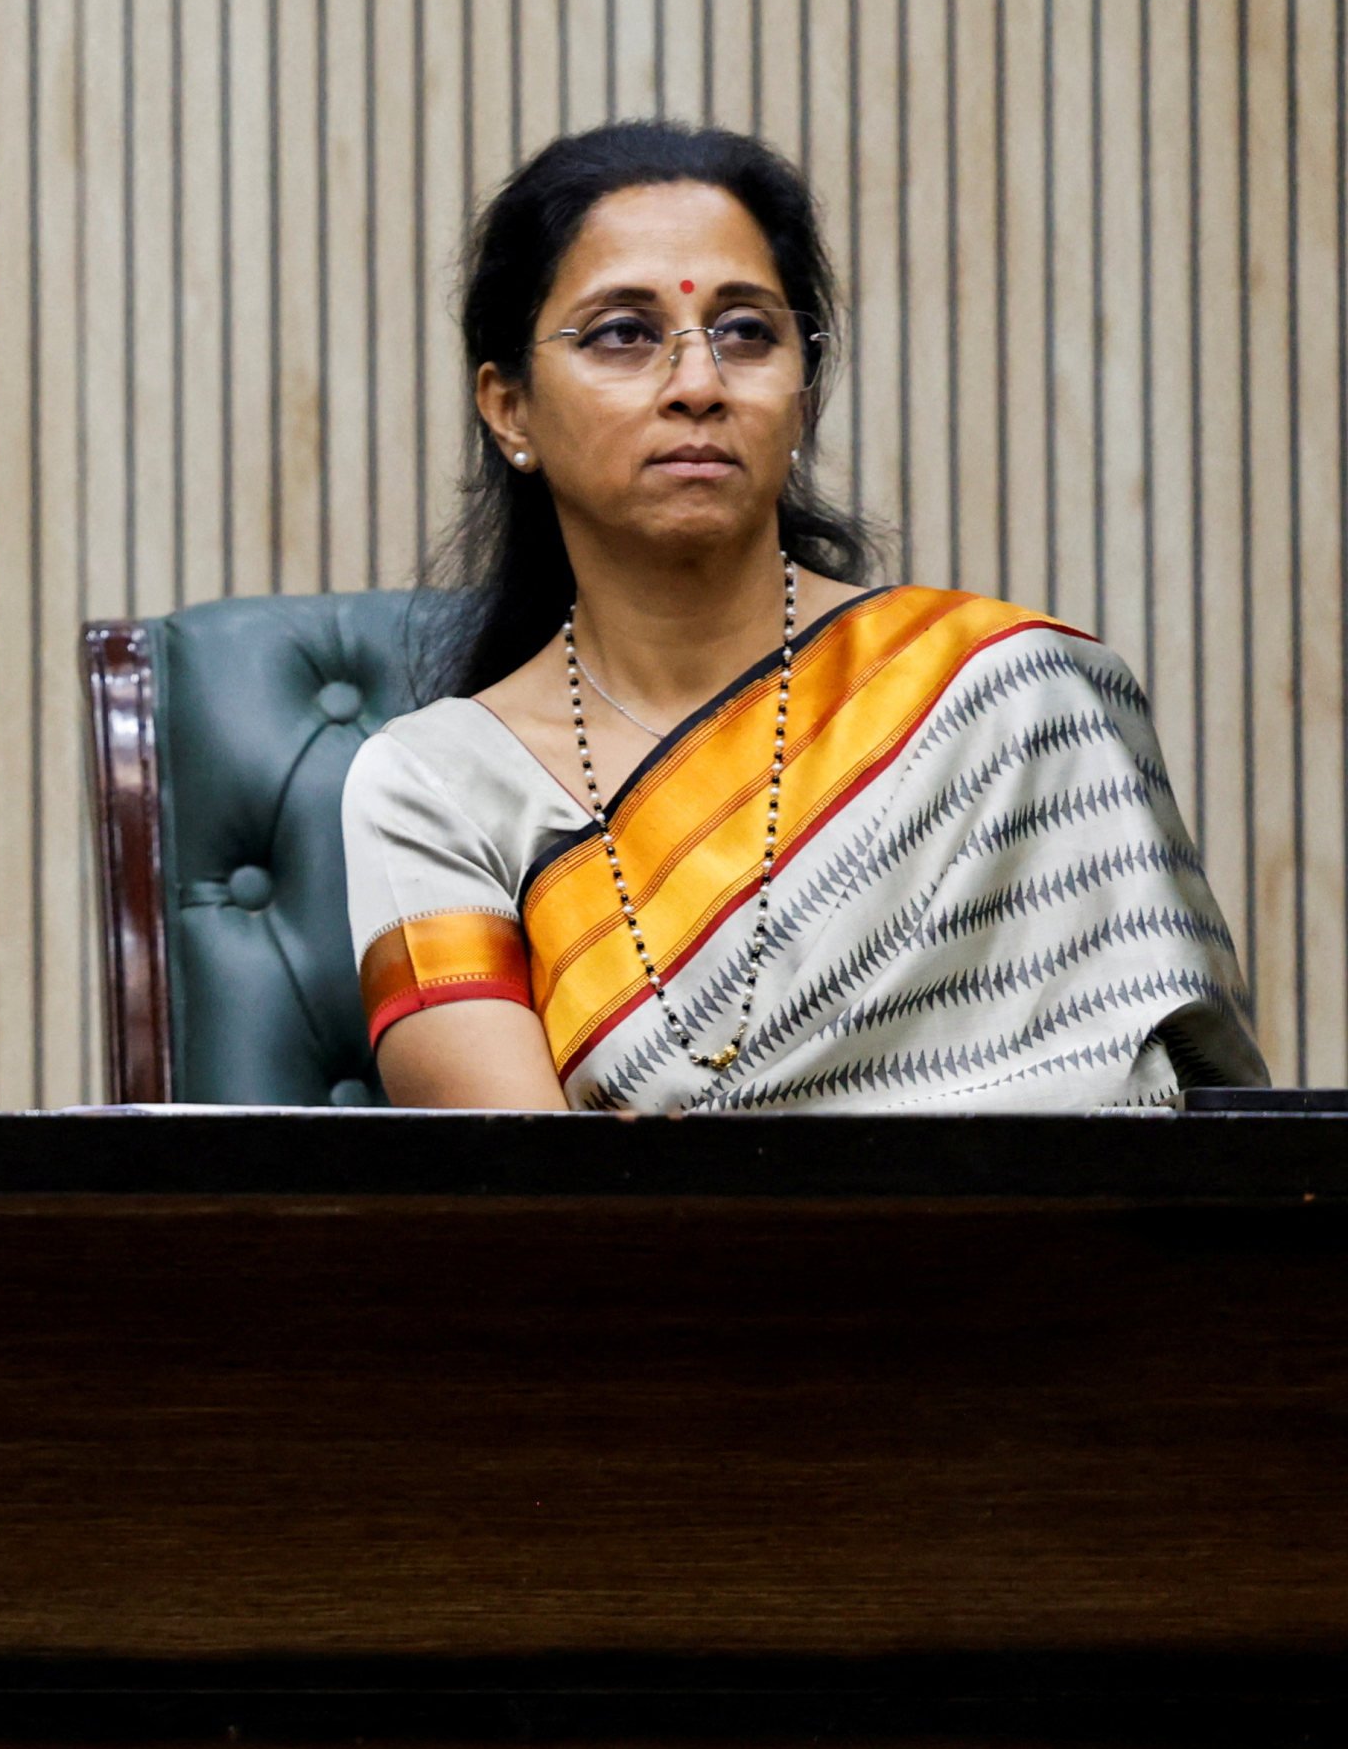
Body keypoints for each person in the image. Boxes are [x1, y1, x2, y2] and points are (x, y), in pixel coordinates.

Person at [347, 122, 1262, 1112]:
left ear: (804, 394)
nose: (697, 384)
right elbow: (522, 1211)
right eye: (623, 333)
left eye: (745, 331)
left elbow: (1197, 1162)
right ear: (508, 406)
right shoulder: (436, 785)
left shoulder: (1016, 701)